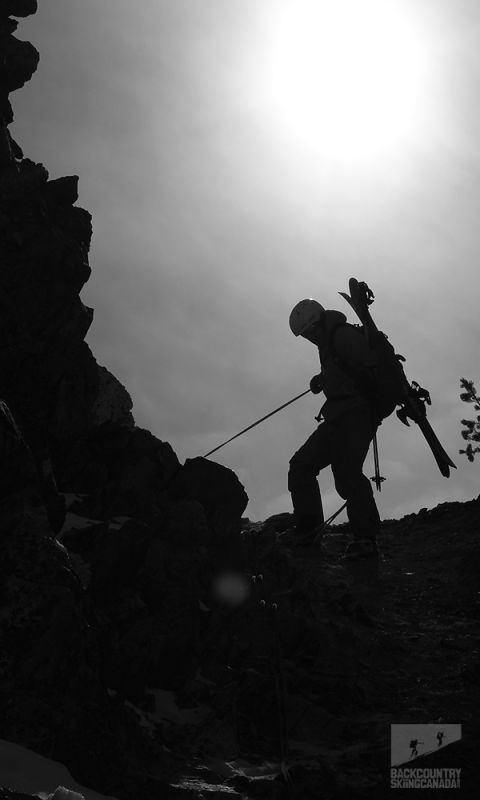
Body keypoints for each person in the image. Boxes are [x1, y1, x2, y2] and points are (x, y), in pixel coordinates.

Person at [287, 298, 381, 558]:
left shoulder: (342, 336)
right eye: (304, 335)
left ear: (317, 324)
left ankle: (366, 540)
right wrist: (324, 379)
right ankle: (308, 529)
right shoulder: (327, 343)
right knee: (302, 465)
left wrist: (363, 397)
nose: (308, 338)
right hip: (338, 415)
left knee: (347, 471)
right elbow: (345, 370)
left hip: (358, 414)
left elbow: (368, 369)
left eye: (309, 332)